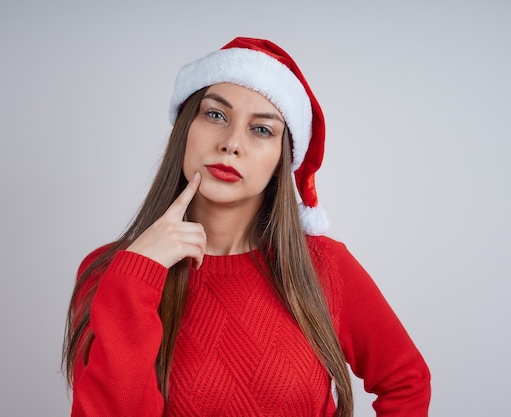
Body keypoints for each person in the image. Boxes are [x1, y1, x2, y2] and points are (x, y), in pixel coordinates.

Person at [62, 37, 431, 417]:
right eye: (216, 115)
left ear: (281, 160)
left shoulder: (324, 265)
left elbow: (407, 381)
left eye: (262, 130)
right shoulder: (113, 273)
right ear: (185, 128)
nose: (232, 143)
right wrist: (136, 277)